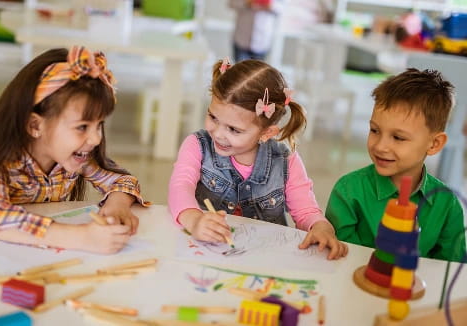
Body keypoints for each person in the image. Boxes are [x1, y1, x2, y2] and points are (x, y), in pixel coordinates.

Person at [0, 46, 148, 254]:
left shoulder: (78, 158)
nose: (96, 138)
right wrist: (83, 237)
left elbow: (123, 180)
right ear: (35, 126)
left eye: (99, 125)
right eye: (82, 127)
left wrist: (117, 205)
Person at [168, 59, 348, 260]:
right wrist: (194, 220)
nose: (217, 134)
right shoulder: (197, 145)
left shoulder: (286, 161)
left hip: (264, 260)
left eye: (234, 129)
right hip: (205, 253)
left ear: (267, 132)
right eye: (213, 117)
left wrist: (321, 227)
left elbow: (305, 211)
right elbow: (180, 186)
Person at [326, 68, 466, 262]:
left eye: (398, 137)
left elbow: (448, 271)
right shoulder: (348, 192)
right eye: (374, 130)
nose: (380, 146)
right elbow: (339, 260)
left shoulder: (447, 205)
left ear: (434, 144)